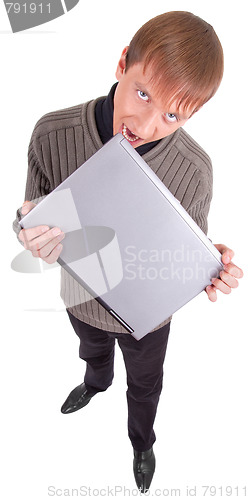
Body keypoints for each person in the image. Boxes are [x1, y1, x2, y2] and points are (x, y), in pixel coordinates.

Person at [13, 11, 243, 493]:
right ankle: (95, 384)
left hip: (149, 321)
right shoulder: (51, 133)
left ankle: (142, 442)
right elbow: (31, 213)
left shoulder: (195, 170)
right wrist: (26, 233)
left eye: (172, 114)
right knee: (91, 353)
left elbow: (186, 247)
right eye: (143, 93)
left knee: (145, 386)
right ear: (122, 63)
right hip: (79, 298)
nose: (146, 122)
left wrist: (209, 265)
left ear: (192, 114)